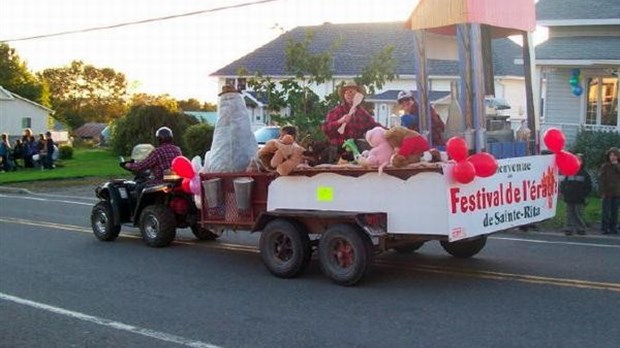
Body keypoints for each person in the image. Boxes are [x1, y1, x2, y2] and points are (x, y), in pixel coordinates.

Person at [321, 81, 383, 161]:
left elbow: (374, 125)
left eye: (352, 92)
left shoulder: (362, 113)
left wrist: (390, 131)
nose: (350, 94)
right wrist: (340, 121)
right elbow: (325, 128)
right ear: (344, 96)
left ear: (358, 95)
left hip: (357, 151)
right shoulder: (336, 112)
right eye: (347, 92)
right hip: (338, 152)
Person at [559, 154, 592, 235]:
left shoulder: (585, 174)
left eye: (580, 160)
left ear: (583, 162)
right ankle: (568, 228)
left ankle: (580, 228)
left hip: (579, 198)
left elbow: (588, 186)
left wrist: (584, 195)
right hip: (569, 197)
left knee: (578, 213)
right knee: (569, 213)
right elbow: (563, 183)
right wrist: (563, 192)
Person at [599, 147, 620, 235]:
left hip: (617, 192)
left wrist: (616, 166)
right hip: (607, 192)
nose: (613, 157)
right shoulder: (605, 166)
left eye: (615, 155)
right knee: (606, 211)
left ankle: (613, 227)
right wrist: (603, 192)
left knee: (615, 211)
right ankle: (605, 227)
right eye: (611, 155)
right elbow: (601, 179)